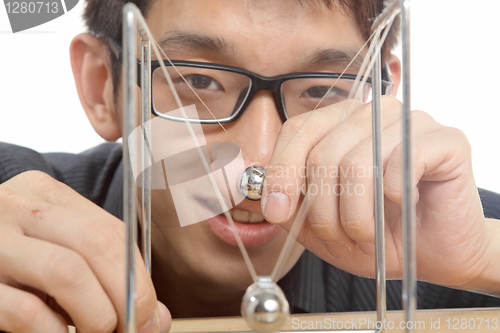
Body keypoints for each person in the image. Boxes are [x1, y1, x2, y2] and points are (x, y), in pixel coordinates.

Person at [1, 0, 500, 332]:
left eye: (322, 91)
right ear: (98, 86)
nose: (259, 161)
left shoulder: (448, 230)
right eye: (197, 80)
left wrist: (484, 262)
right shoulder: (14, 205)